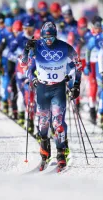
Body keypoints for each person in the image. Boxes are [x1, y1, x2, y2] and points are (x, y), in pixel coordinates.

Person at [21, 22, 81, 172]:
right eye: (46, 37)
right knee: (43, 124)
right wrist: (26, 49)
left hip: (58, 89)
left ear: (56, 36)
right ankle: (45, 149)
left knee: (58, 123)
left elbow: (77, 65)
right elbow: (25, 66)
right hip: (42, 89)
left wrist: (76, 85)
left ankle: (61, 152)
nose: (48, 41)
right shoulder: (37, 47)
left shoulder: (64, 47)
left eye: (52, 37)